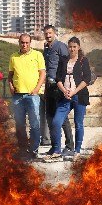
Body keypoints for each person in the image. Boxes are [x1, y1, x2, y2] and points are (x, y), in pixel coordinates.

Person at [51, 36, 91, 161]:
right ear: (67, 47)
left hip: (79, 95)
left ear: (78, 47)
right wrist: (64, 91)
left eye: (74, 47)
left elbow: (87, 79)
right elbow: (57, 78)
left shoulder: (83, 61)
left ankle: (77, 150)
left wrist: (74, 91)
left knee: (78, 123)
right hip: (65, 96)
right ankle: (57, 149)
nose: (72, 49)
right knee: (56, 122)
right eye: (70, 47)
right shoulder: (63, 60)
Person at [8, 34, 46, 158]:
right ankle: (23, 149)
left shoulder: (37, 55)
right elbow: (10, 75)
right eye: (22, 43)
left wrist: (36, 89)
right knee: (20, 124)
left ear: (30, 43)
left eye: (27, 43)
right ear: (19, 42)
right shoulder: (13, 57)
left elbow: (43, 74)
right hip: (18, 96)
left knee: (35, 124)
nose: (24, 45)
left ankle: (34, 149)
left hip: (32, 96)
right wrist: (11, 86)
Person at [41, 25, 74, 153]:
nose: (48, 35)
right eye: (46, 33)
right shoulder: (46, 48)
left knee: (62, 117)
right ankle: (55, 146)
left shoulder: (60, 46)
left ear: (54, 33)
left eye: (50, 33)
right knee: (49, 115)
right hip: (49, 86)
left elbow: (68, 64)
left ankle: (69, 145)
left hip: (59, 86)